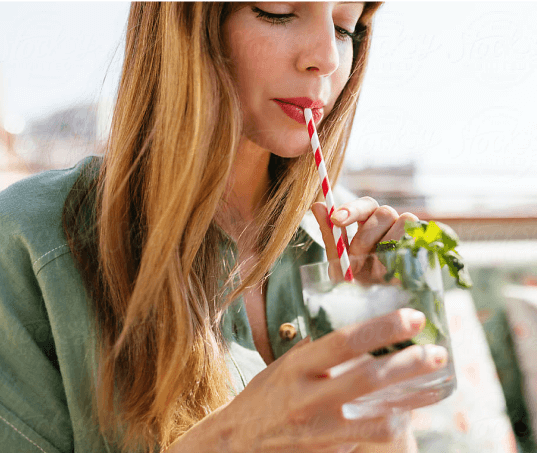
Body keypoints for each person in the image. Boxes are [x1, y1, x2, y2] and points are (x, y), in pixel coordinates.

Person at [0, 2, 449, 452]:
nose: (327, 58)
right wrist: (234, 439)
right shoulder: (31, 242)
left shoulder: (351, 241)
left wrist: (382, 397)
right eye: (277, 11)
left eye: (343, 26)